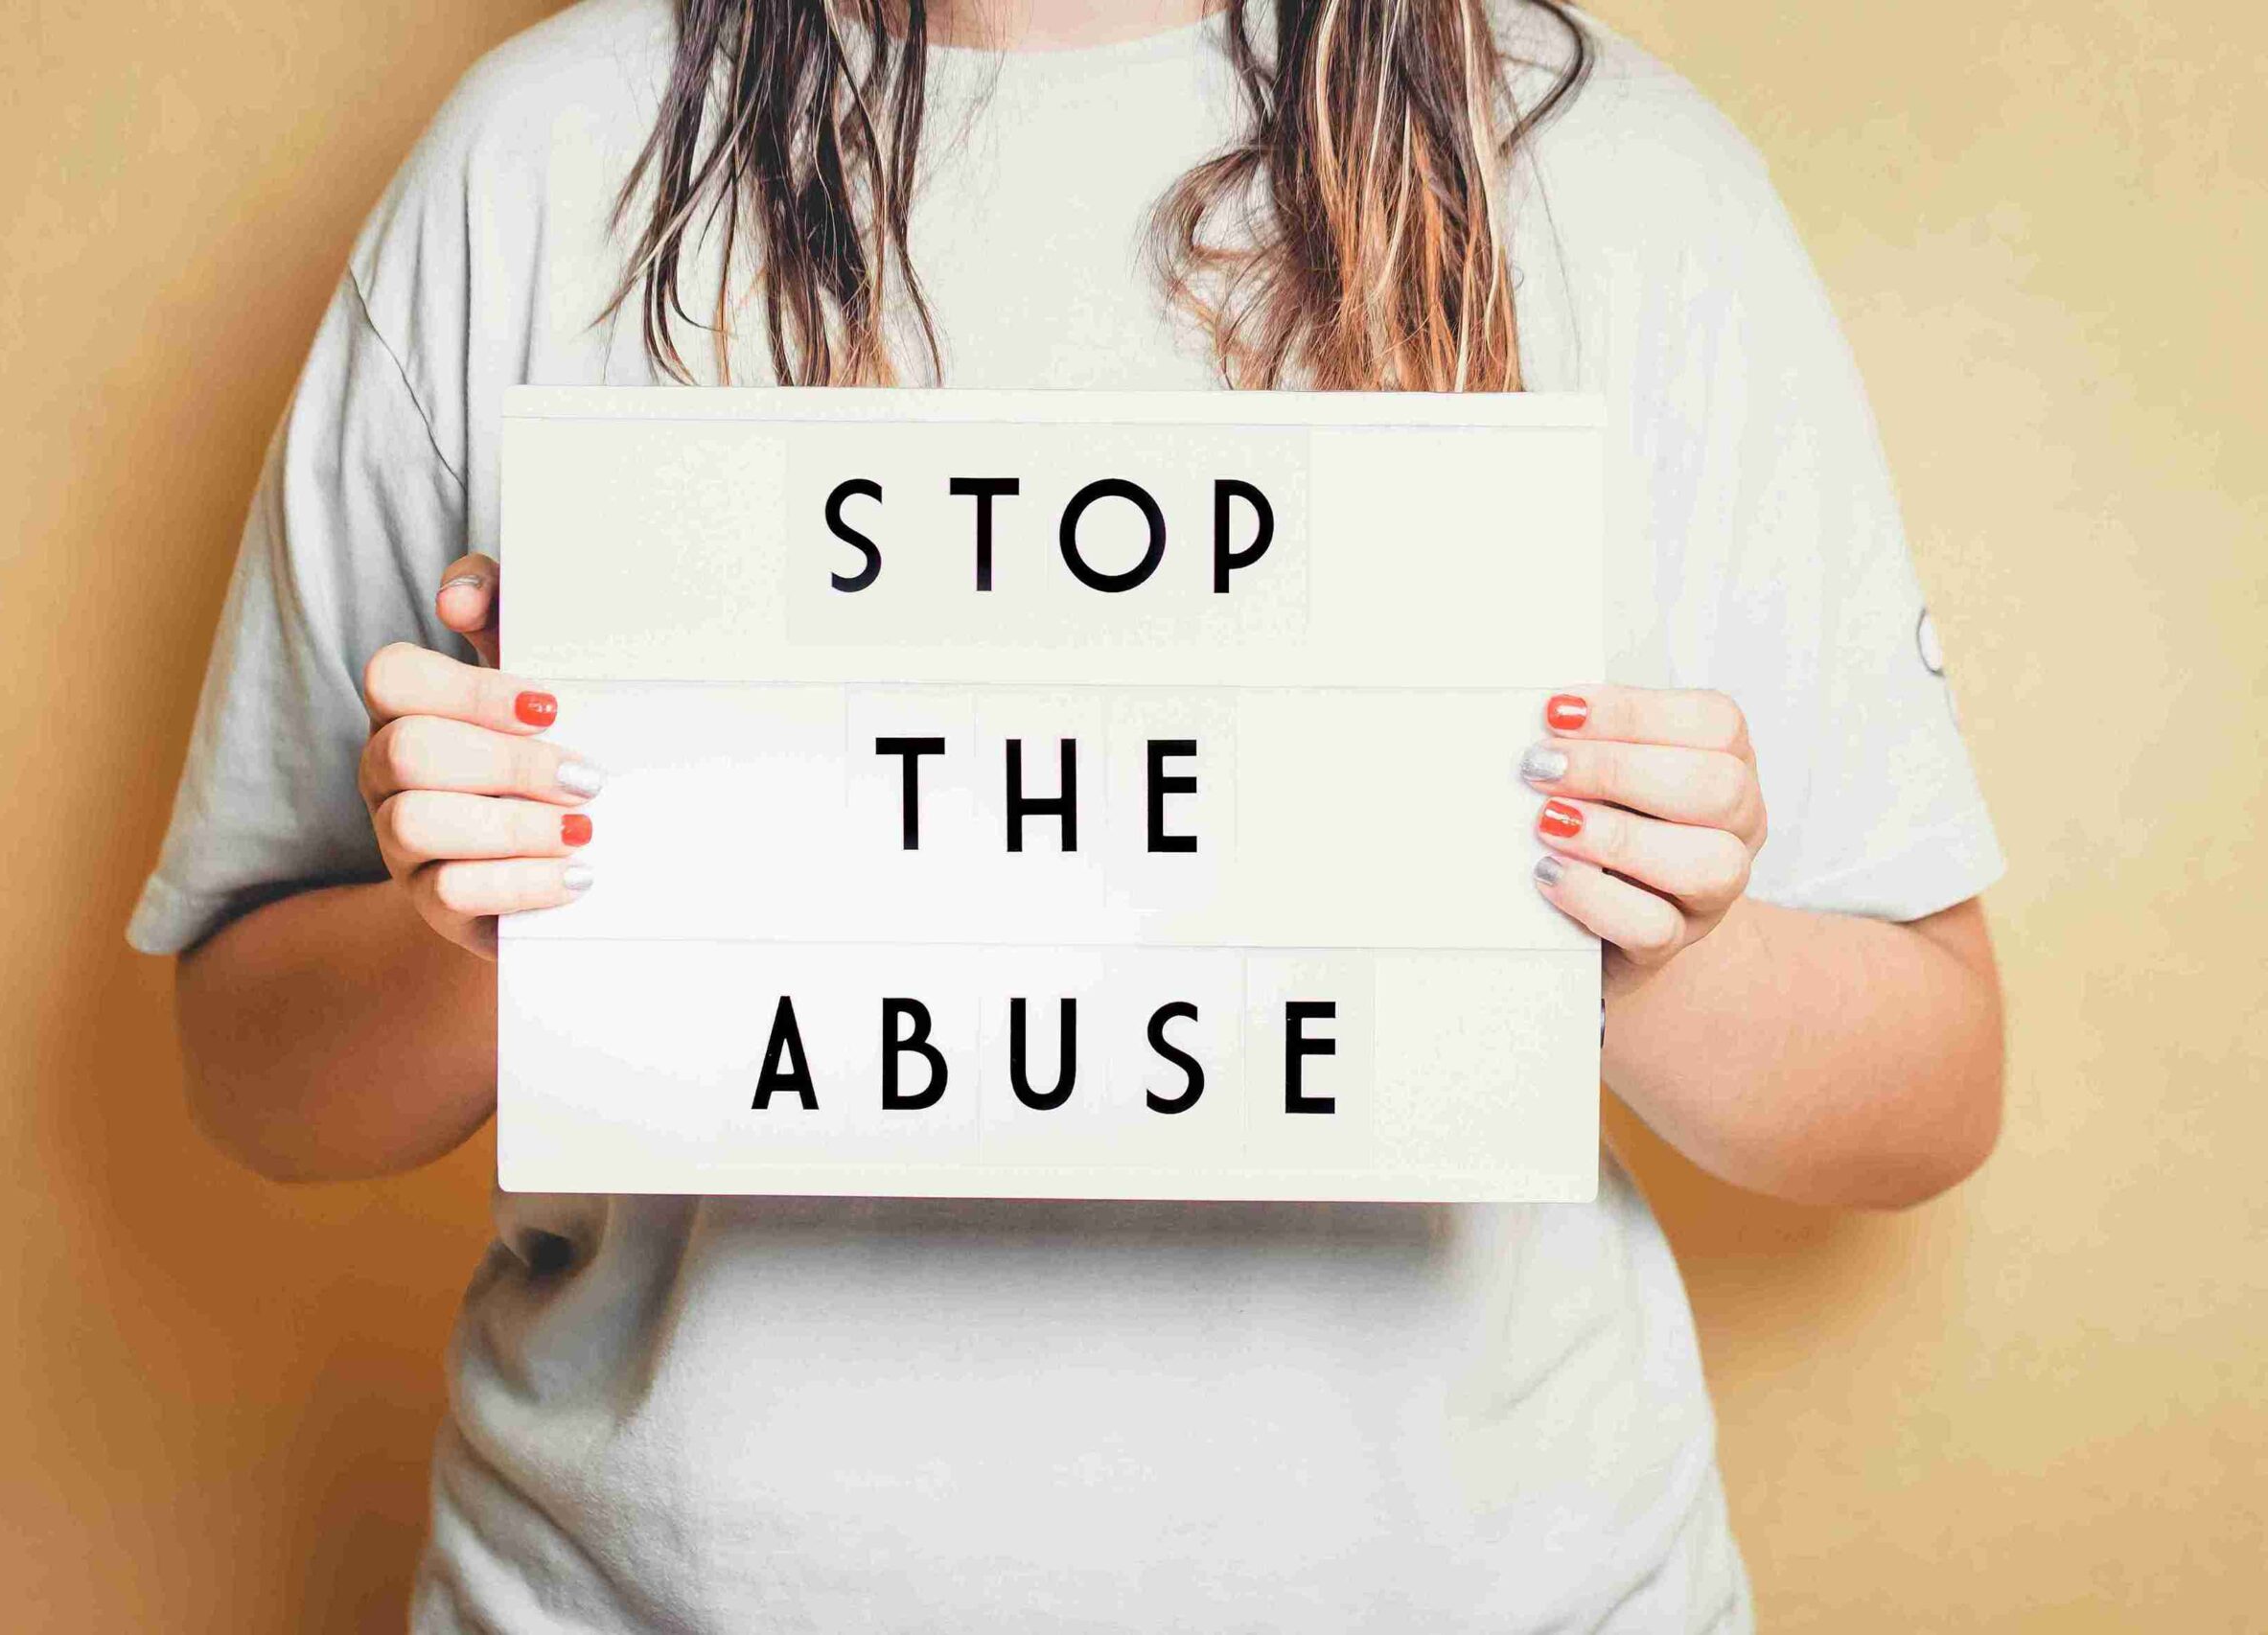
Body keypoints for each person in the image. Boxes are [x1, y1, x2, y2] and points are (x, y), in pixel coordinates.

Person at [127, 0, 2006, 1626]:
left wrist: (1645, 952)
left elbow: (1932, 1082)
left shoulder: (1613, 174)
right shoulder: (543, 160)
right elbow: (249, 1068)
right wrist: (483, 932)